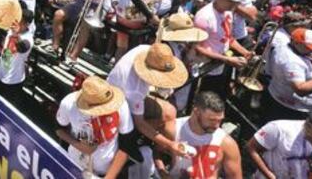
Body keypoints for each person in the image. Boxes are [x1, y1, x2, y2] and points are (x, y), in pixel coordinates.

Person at [105, 43, 190, 178]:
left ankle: (158, 152)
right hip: (119, 105)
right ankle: (151, 151)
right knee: (165, 117)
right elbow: (140, 123)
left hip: (120, 89)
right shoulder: (136, 90)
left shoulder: (145, 50)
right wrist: (170, 144)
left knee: (169, 112)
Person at [55, 76, 134, 177]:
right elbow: (59, 129)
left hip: (105, 172)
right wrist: (78, 145)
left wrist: (109, 177)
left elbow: (127, 146)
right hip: (75, 164)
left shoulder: (120, 105)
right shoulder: (68, 103)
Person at [246, 107, 312, 179]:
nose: (309, 131)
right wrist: (270, 176)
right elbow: (251, 147)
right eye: (308, 125)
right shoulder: (279, 129)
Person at [162, 91, 243, 179]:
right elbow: (156, 153)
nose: (217, 125)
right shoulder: (173, 128)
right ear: (196, 112)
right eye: (212, 120)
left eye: (220, 120)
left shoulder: (226, 143)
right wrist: (163, 174)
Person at [266, 28, 312, 121]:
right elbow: (300, 89)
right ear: (296, 43)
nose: (311, 50)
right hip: (291, 108)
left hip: (279, 95)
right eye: (307, 47)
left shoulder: (284, 46)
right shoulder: (293, 62)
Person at [193, 0, 254, 94]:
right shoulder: (204, 17)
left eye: (235, 2)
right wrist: (227, 59)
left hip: (221, 62)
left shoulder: (228, 12)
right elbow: (198, 48)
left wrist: (244, 52)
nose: (233, 5)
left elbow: (228, 37)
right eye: (230, 1)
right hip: (206, 67)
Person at [0, 9, 35, 99]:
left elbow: (23, 47)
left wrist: (16, 35)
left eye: (20, 22)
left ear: (27, 24)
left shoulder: (28, 39)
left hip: (14, 80)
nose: (15, 23)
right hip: (1, 74)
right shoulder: (11, 30)